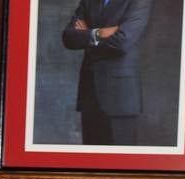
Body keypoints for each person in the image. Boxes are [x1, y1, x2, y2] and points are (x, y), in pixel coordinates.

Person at [61, 0, 153, 146]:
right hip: (90, 94)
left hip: (121, 97)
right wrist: (99, 33)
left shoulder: (138, 1)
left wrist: (87, 36)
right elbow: (68, 37)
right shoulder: (89, 2)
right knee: (91, 161)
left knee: (121, 161)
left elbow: (122, 43)